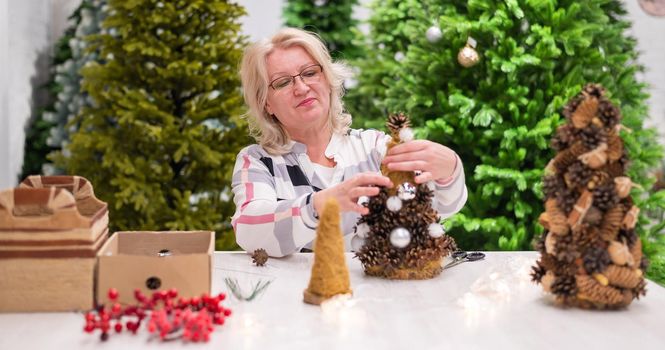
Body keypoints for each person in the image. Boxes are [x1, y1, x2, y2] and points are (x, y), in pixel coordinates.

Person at [232, 28, 467, 257]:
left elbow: (437, 208)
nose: (302, 88)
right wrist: (318, 206)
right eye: (283, 82)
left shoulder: (373, 147)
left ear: (328, 80)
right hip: (297, 296)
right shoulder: (257, 161)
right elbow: (248, 230)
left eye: (310, 73)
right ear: (266, 104)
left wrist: (450, 170)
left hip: (379, 293)